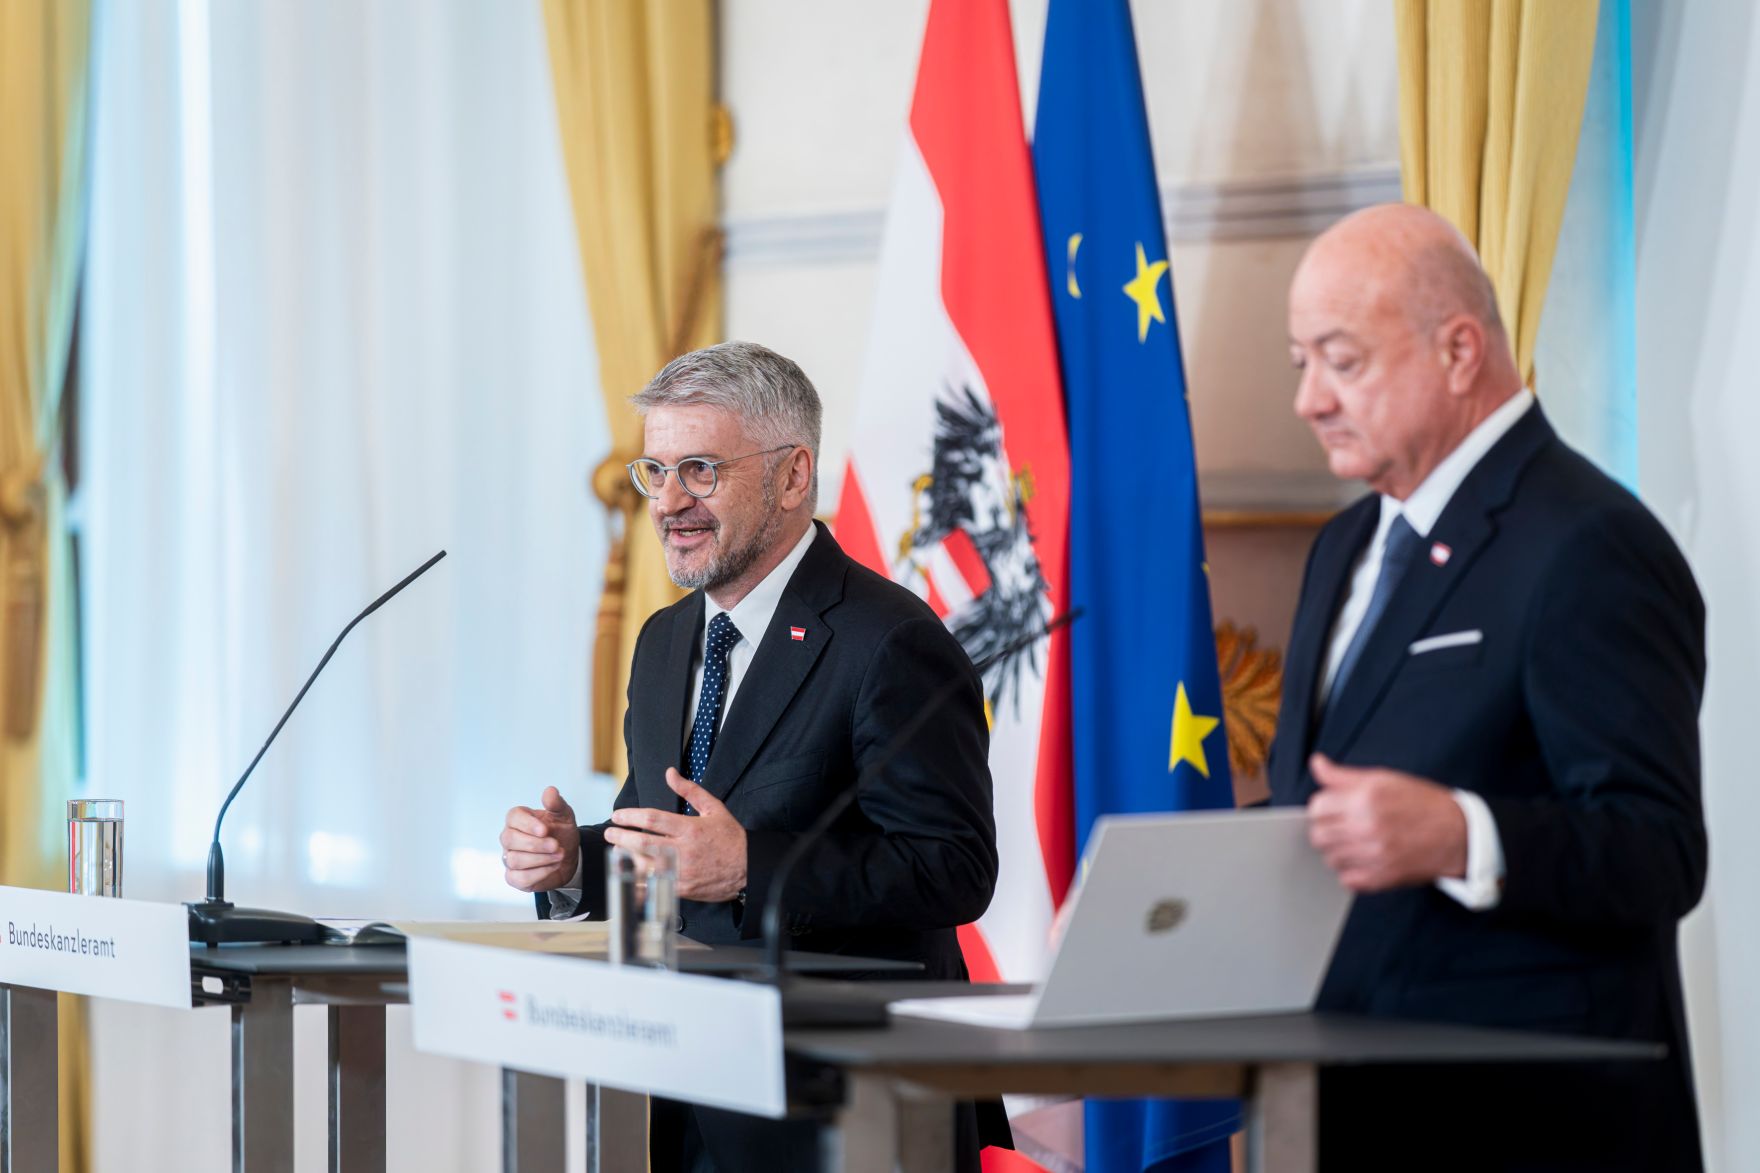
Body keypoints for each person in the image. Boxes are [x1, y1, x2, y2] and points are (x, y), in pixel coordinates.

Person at [1271, 203, 1706, 1171]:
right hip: (1343, 1103)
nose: (1308, 399)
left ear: (1459, 350)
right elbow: (1326, 808)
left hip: (1531, 1120)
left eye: (1339, 361)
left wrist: (1464, 835)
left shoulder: (1589, 544)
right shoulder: (1343, 543)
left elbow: (1659, 851)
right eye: (1297, 362)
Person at [499, 341, 1004, 1172]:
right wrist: (573, 862)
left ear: (792, 476)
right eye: (653, 472)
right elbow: (665, 838)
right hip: (673, 1098)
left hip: (838, 1114)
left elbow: (953, 868)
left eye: (699, 469)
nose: (668, 502)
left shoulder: (891, 642)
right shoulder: (664, 641)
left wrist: (749, 869)